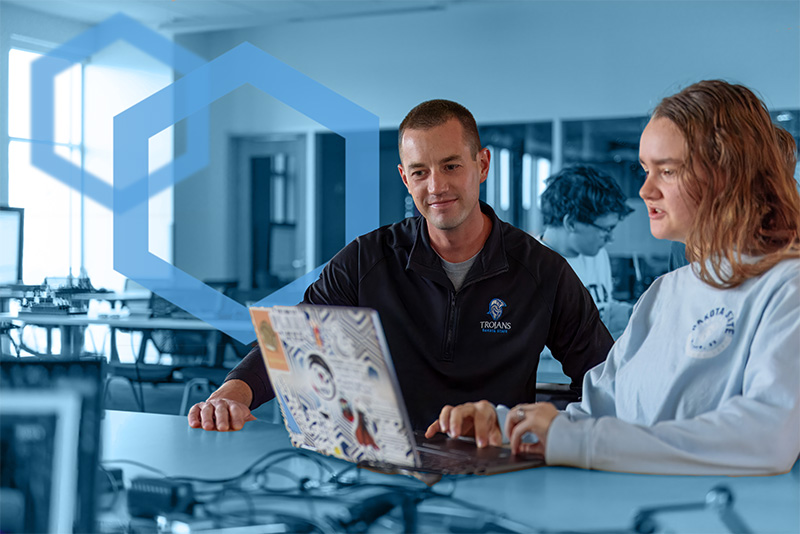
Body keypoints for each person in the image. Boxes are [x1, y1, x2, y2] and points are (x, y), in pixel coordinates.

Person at [425, 80, 800, 475]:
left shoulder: (785, 288)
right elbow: (596, 414)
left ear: (727, 175)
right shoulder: (664, 294)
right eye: (645, 170)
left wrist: (574, 441)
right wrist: (505, 427)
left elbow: (767, 437)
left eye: (667, 171)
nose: (645, 190)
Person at [189, 100, 613, 433]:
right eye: (420, 172)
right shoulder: (366, 260)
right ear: (404, 178)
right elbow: (290, 340)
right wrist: (233, 393)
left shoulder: (544, 271)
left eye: (451, 166)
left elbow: (604, 376)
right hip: (385, 467)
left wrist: (557, 429)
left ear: (481, 165)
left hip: (497, 463)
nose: (437, 186)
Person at [539, 165, 634, 338]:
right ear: (572, 223)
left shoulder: (597, 255)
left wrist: (642, 312)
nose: (610, 238)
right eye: (606, 229)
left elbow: (601, 312)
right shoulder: (529, 269)